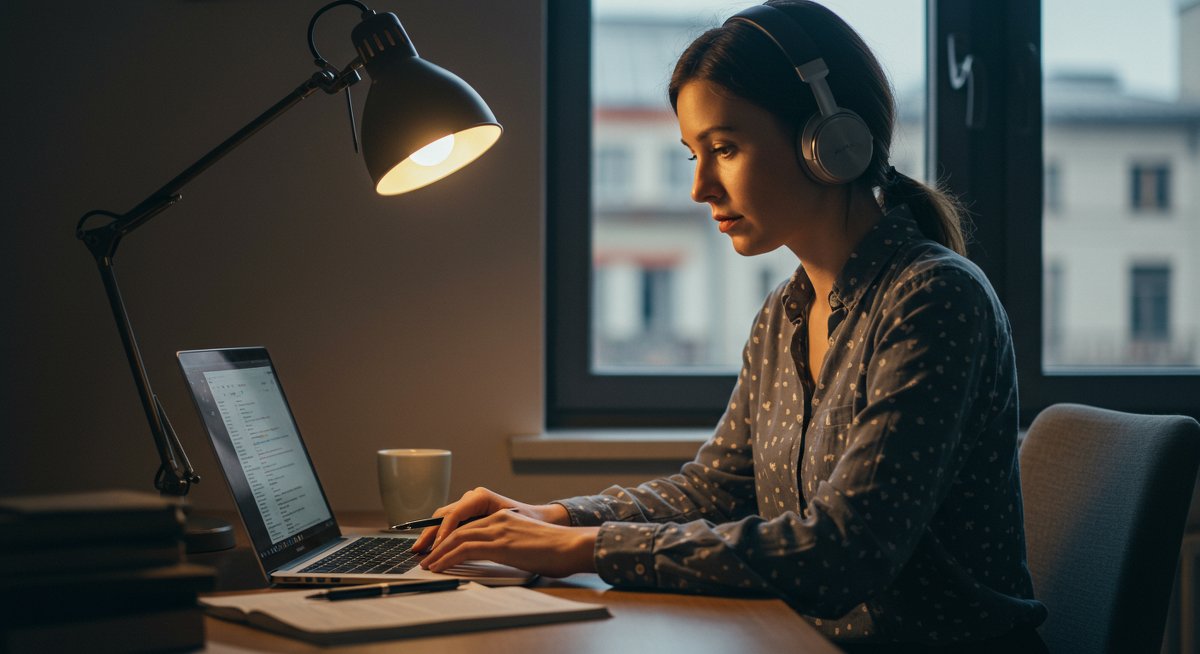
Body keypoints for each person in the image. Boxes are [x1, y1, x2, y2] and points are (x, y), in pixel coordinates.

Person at [411, 1, 1048, 650]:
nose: (701, 189)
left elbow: (843, 552)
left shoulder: (934, 300)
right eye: (694, 155)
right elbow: (715, 490)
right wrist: (553, 517)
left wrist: (581, 547)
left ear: (829, 140)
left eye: (725, 147)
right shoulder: (783, 317)